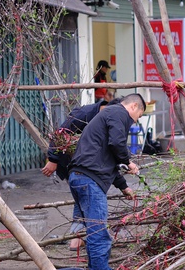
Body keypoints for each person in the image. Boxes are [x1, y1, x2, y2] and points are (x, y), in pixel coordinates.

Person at [67, 93, 145, 270]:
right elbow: (117, 144)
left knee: (94, 231)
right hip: (88, 180)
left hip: (80, 177)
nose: (134, 122)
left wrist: (124, 187)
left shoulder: (108, 115)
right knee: (99, 233)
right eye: (139, 116)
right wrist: (129, 161)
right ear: (134, 106)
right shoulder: (119, 113)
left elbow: (109, 156)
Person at [41, 96, 131, 251]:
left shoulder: (109, 124)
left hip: (87, 167)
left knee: (83, 199)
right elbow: (60, 133)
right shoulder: (85, 113)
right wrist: (53, 159)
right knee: (87, 196)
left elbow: (107, 160)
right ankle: (81, 239)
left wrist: (123, 186)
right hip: (75, 164)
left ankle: (76, 239)